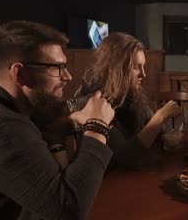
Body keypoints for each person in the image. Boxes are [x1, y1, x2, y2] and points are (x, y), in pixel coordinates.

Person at [0, 21, 115, 219]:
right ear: (19, 74)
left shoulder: (20, 111)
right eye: (57, 68)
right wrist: (97, 128)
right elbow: (69, 208)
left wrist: (69, 125)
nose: (68, 76)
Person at [76, 32, 181, 170]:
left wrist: (168, 137)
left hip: (133, 175)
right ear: (115, 67)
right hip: (108, 182)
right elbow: (126, 158)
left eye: (143, 66)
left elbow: (162, 133)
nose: (143, 74)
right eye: (136, 67)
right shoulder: (95, 101)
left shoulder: (130, 95)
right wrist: (161, 116)